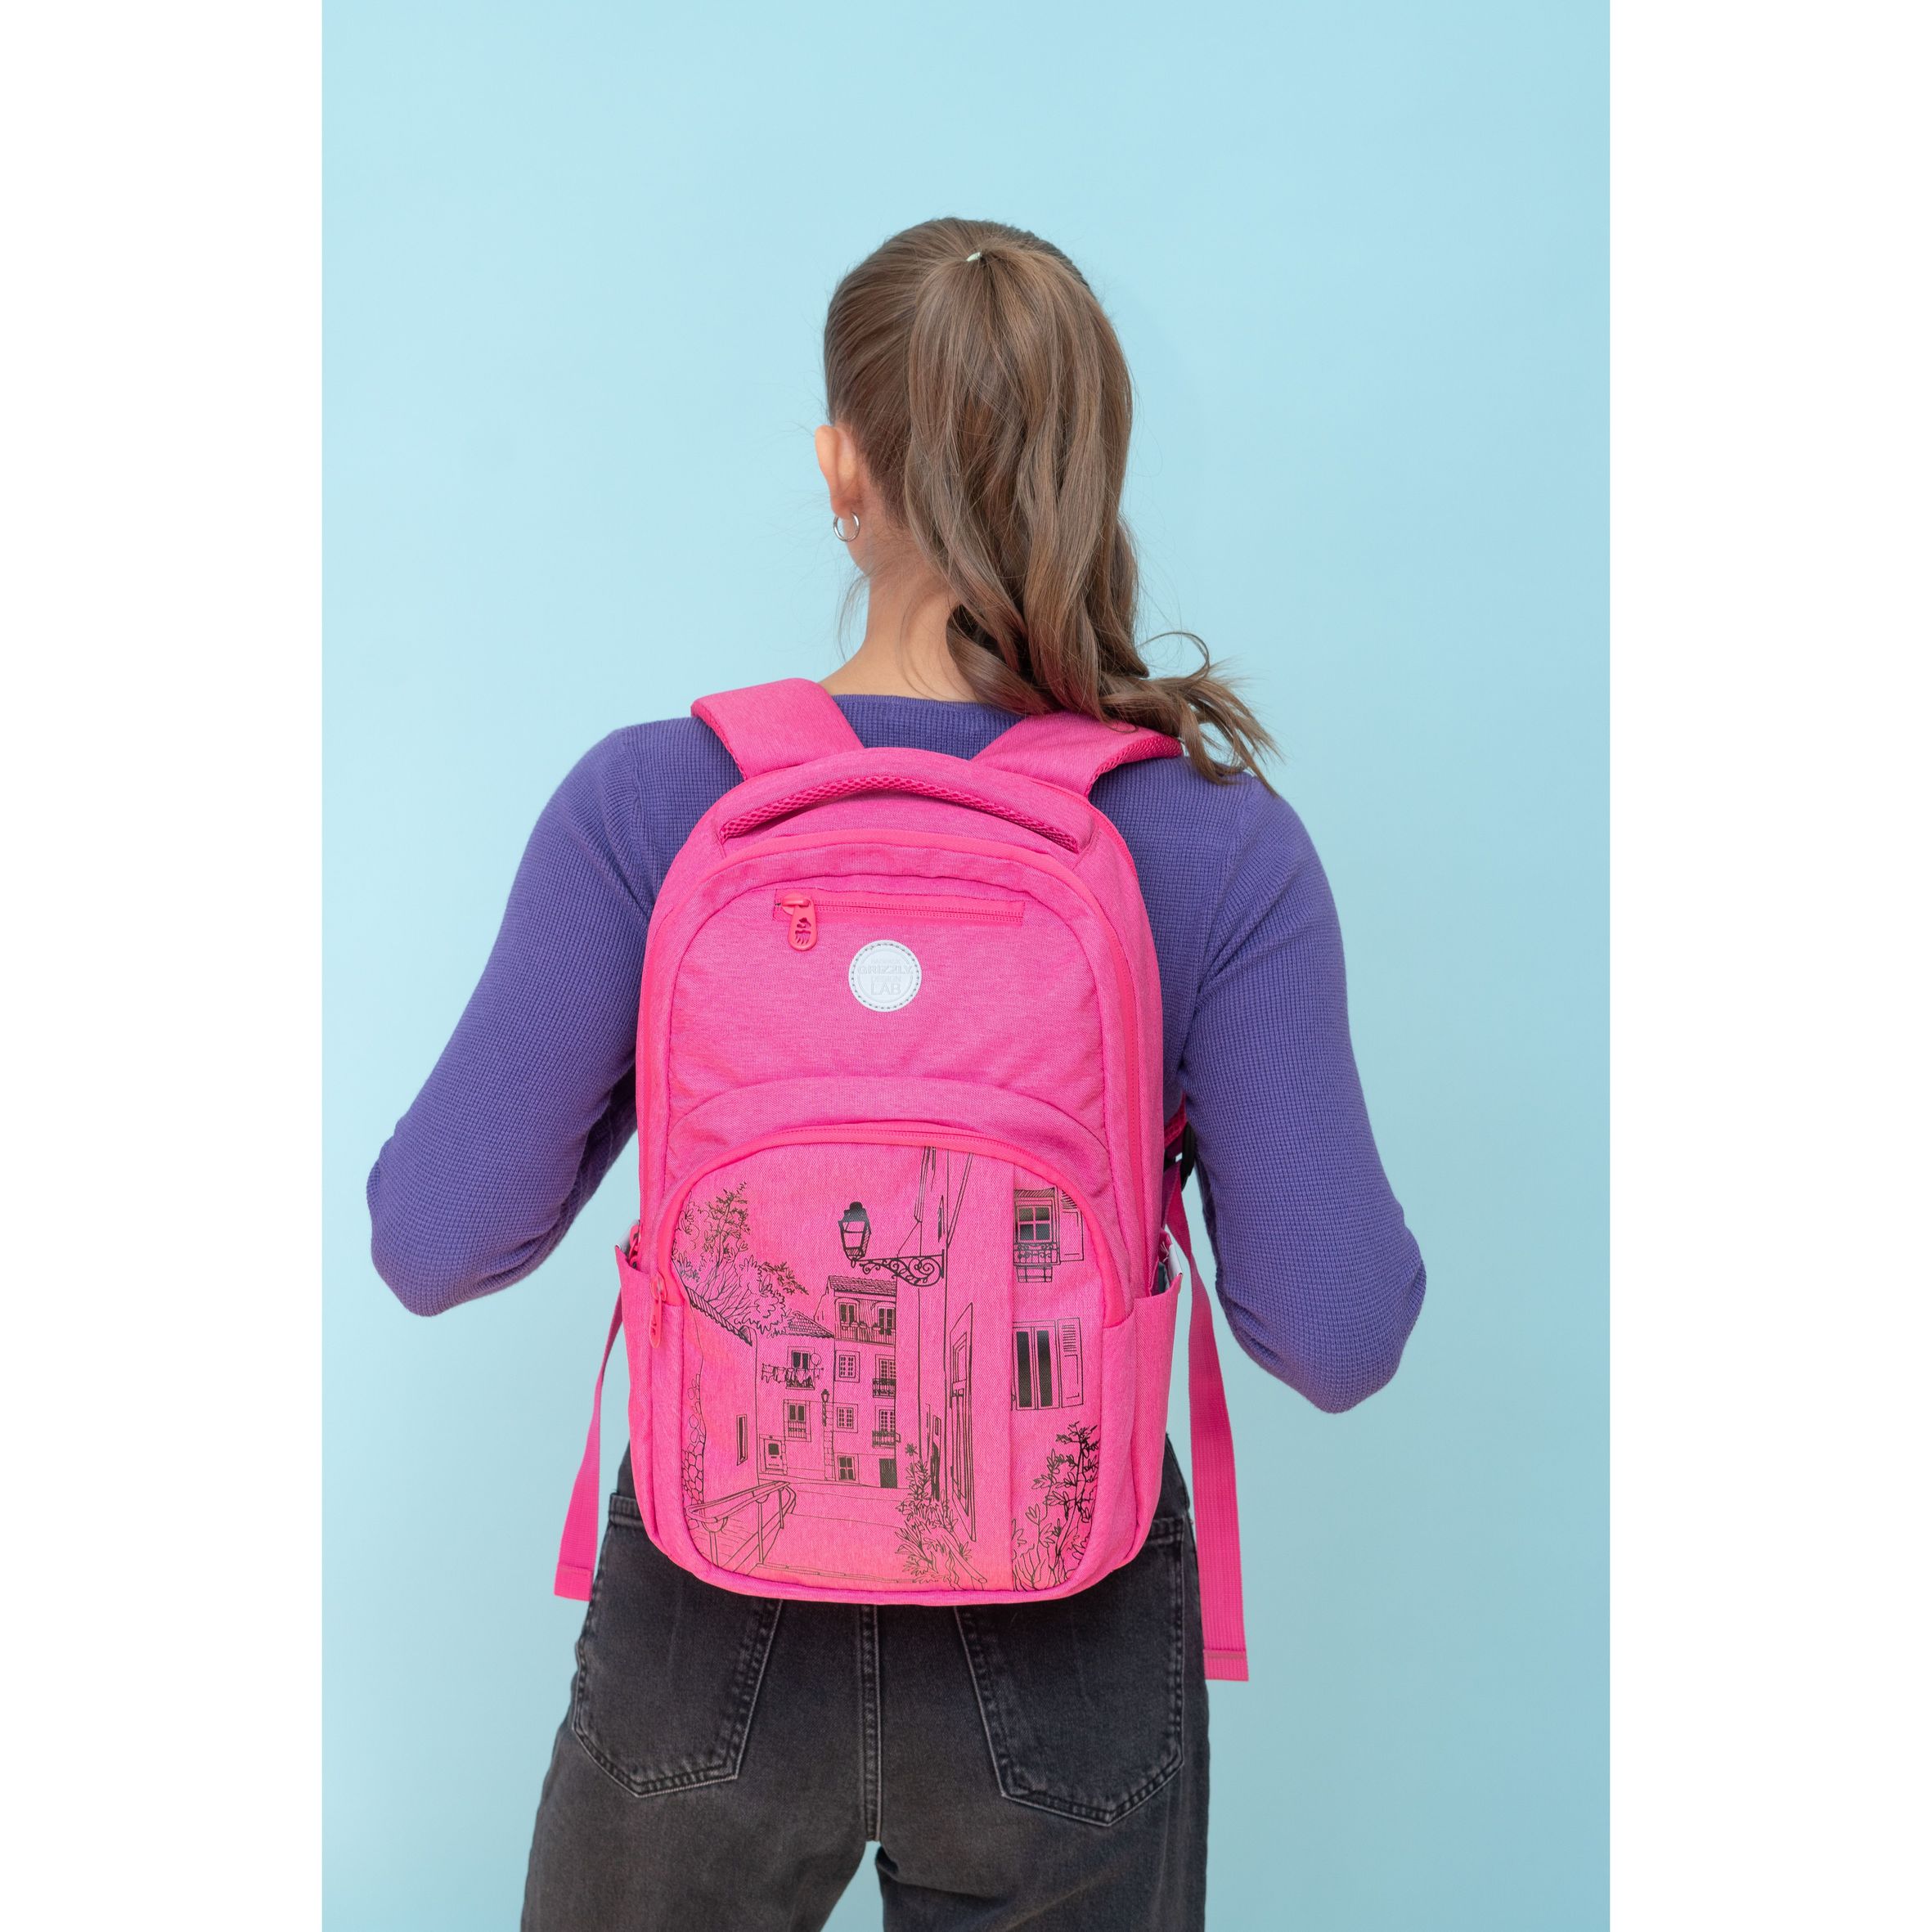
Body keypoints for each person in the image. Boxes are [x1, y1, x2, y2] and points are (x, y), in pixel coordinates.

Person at [367, 216, 1427, 1932]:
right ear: (1089, 473)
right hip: (1065, 1624)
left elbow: (434, 1237)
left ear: (840, 469)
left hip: (709, 1603)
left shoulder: (654, 805)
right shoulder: (1211, 844)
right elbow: (1336, 1330)